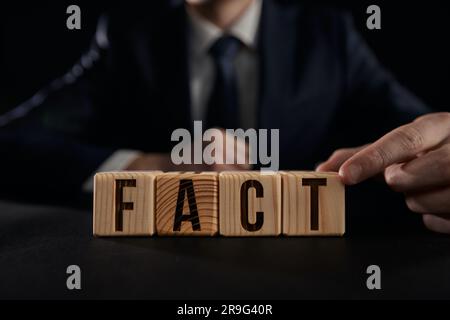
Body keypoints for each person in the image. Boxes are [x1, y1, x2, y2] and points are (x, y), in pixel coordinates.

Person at [1, 0, 450, 234]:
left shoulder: (328, 37)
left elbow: (421, 134)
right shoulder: (129, 40)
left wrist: (437, 161)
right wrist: (151, 167)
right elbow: (11, 142)